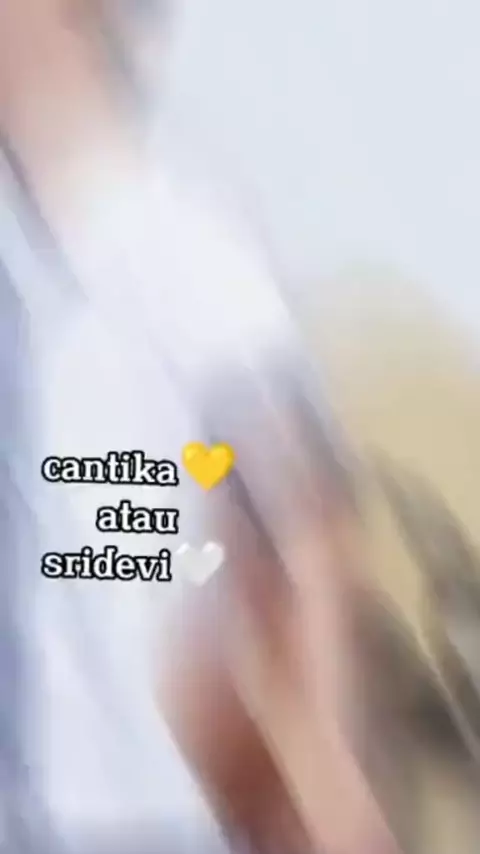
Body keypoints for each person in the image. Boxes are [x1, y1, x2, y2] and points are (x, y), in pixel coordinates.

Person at [0, 2, 400, 852]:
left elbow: (306, 527)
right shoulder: (24, 266)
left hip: (157, 818)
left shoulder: (183, 243)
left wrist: (326, 783)